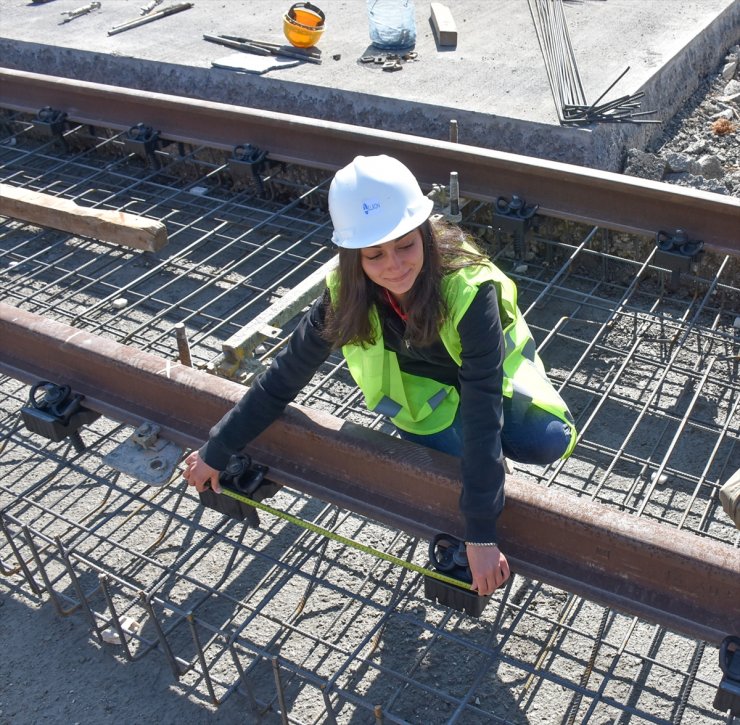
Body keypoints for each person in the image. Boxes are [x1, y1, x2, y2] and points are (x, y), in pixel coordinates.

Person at [183, 155, 577, 597]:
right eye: (374, 254)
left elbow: (484, 405)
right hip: (426, 404)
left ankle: (487, 476)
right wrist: (218, 447)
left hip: (488, 386)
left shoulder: (468, 288)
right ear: (354, 257)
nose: (393, 266)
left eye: (405, 245)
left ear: (424, 233)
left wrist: (481, 533)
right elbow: (283, 379)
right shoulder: (345, 297)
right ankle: (478, 472)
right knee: (455, 472)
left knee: (545, 439)